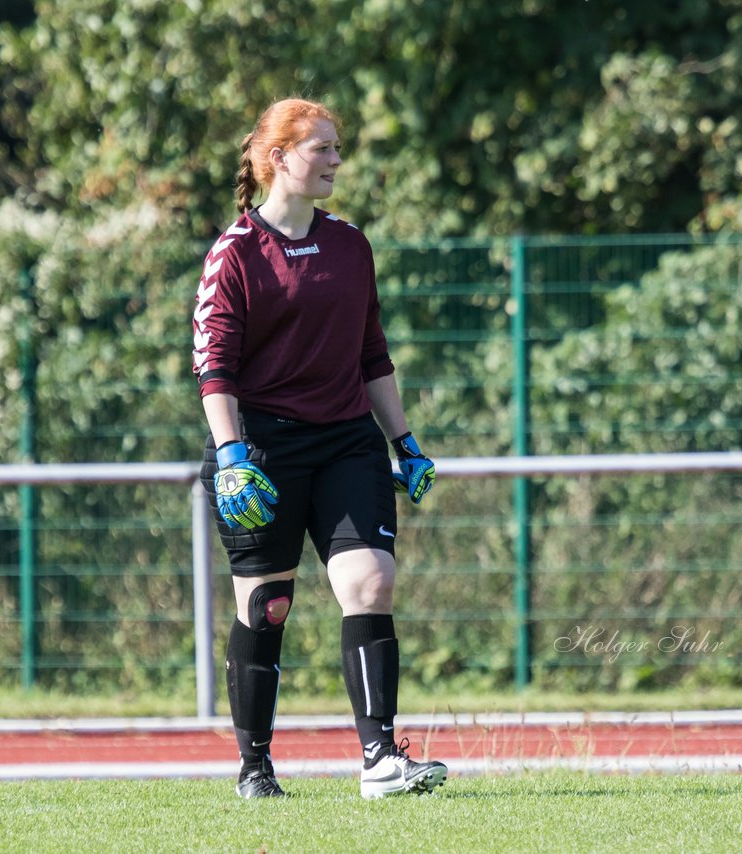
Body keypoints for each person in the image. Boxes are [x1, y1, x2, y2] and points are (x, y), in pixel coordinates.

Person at [191, 96, 446, 800]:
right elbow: (214, 367)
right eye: (323, 148)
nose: (337, 160)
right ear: (278, 158)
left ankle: (379, 760)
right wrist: (233, 454)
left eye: (337, 147)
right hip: (262, 450)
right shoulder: (235, 252)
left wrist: (407, 442)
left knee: (371, 583)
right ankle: (255, 767)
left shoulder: (349, 243)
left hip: (345, 444)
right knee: (267, 606)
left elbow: (373, 356)